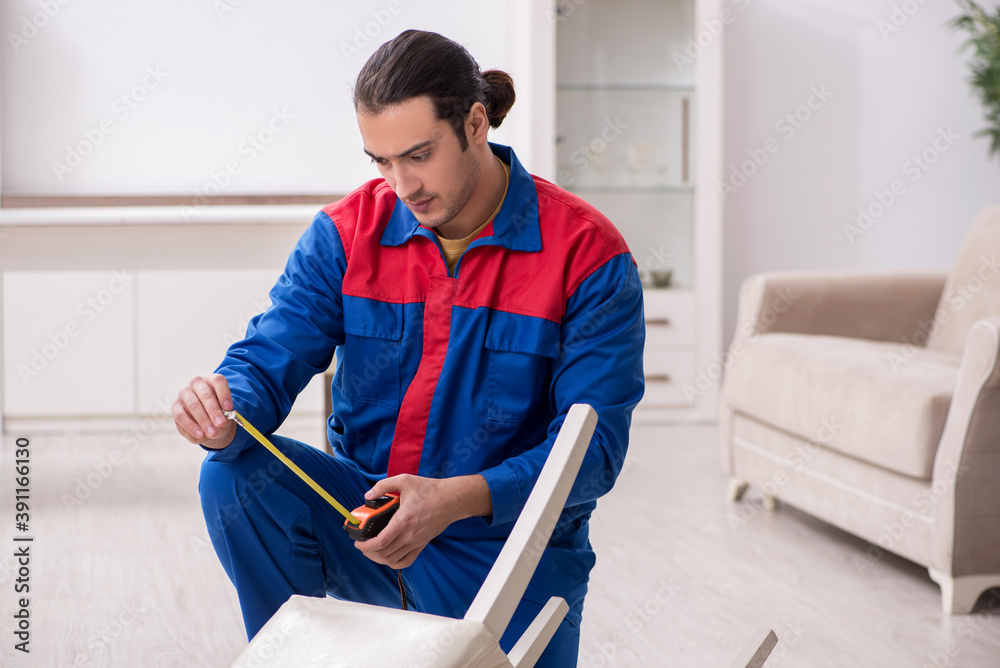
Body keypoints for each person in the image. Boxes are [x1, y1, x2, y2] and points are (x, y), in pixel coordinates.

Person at [172, 29, 644, 666]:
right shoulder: (344, 235)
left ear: (475, 123)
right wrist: (224, 411)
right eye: (381, 161)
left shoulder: (586, 256)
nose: (403, 184)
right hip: (365, 523)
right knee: (235, 474)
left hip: (501, 550)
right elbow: (265, 360)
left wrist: (453, 500)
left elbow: (596, 455)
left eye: (419, 155)